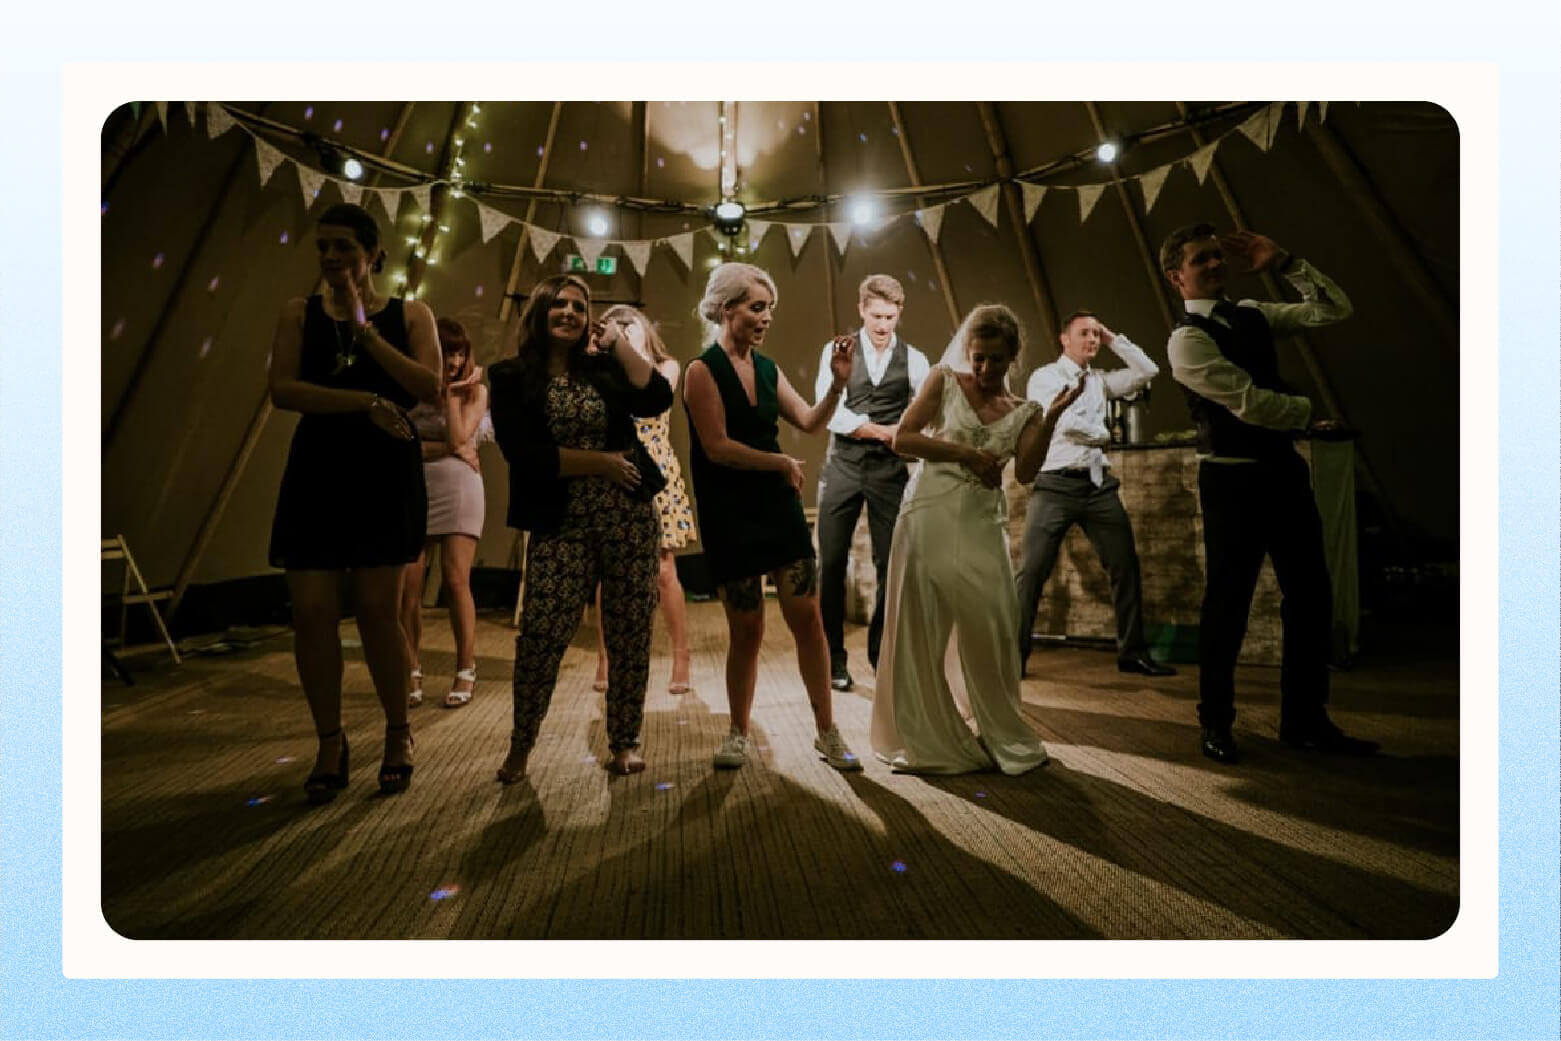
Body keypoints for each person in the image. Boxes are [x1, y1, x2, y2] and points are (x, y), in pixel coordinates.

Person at [1161, 224, 1379, 764]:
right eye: (1201, 259)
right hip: (1231, 480)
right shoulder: (1186, 339)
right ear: (1177, 277)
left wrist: (1284, 262)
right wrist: (1304, 411)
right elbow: (1252, 404)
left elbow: (1334, 309)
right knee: (1228, 603)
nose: (1214, 265)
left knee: (1310, 596)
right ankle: (1215, 722)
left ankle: (1305, 721)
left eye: (1217, 256)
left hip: (1282, 471)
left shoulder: (1255, 312)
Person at [266, 202, 441, 802]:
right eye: (324, 248)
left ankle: (398, 732)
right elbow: (283, 390)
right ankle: (330, 741)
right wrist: (363, 402)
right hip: (318, 468)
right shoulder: (299, 313)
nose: (331, 259)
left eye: (343, 247)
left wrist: (368, 335)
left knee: (376, 611)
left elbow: (428, 386)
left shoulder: (410, 314)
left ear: (373, 256)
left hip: (383, 470)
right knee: (312, 611)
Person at [869, 304, 1082, 774]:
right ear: (968, 351)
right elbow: (904, 438)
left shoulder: (1024, 411)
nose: (985, 369)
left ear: (1013, 359)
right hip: (927, 513)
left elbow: (1026, 472)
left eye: (996, 360)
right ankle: (927, 738)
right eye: (978, 357)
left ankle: (999, 730)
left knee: (993, 625)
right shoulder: (945, 380)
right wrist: (965, 452)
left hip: (983, 524)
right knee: (921, 627)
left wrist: (1048, 422)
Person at [487, 274, 672, 781]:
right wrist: (601, 463)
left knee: (630, 630)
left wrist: (615, 343)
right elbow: (526, 457)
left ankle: (626, 740)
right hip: (559, 520)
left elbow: (657, 397)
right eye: (559, 305)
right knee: (543, 631)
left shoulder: (602, 368)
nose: (569, 313)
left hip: (628, 518)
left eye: (579, 306)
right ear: (540, 312)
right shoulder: (508, 376)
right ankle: (522, 743)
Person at [681, 261, 861, 772]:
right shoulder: (701, 370)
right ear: (726, 307)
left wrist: (837, 386)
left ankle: (827, 730)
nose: (766, 318)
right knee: (747, 629)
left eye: (769, 310)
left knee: (807, 620)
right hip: (731, 510)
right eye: (757, 307)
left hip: (776, 504)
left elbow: (807, 421)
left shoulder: (767, 367)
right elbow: (716, 448)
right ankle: (738, 732)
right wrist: (779, 462)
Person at [1014, 311, 1176, 677]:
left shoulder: (1098, 381)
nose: (1091, 339)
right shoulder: (1045, 378)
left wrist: (1112, 338)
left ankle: (1132, 653)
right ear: (1064, 339)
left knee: (1125, 566)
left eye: (1094, 334)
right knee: (1032, 572)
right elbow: (1067, 425)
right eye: (1083, 333)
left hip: (1097, 485)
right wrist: (1107, 435)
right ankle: (1014, 655)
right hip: (1055, 484)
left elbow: (1148, 371)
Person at [814, 274, 930, 693]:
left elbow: (923, 413)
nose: (883, 324)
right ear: (861, 309)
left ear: (899, 314)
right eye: (877, 315)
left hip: (888, 473)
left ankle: (883, 654)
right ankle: (833, 659)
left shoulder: (915, 359)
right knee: (830, 562)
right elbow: (833, 414)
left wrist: (908, 432)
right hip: (842, 466)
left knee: (893, 563)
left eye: (891, 316)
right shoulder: (837, 350)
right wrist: (887, 431)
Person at [591, 305, 698, 697]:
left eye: (628, 325)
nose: (621, 331)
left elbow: (656, 394)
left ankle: (681, 655)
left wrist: (623, 348)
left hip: (656, 472)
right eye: (614, 327)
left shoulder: (667, 366)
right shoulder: (601, 371)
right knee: (607, 572)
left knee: (665, 569)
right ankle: (604, 657)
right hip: (615, 466)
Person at [400, 316, 488, 710]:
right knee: (409, 586)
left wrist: (452, 394)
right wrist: (447, 449)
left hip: (459, 487)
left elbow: (457, 438)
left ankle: (465, 669)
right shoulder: (407, 390)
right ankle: (410, 669)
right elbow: (399, 446)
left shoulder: (474, 393)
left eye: (459, 353)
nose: (453, 361)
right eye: (446, 352)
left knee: (456, 581)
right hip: (412, 487)